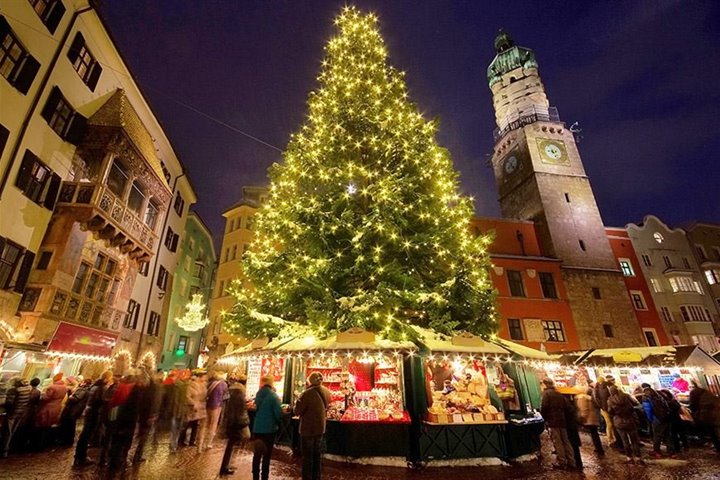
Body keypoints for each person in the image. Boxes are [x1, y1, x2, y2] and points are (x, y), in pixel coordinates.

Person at [295, 372, 331, 480]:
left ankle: (307, 477)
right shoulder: (326, 391)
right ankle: (317, 476)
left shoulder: (306, 394)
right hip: (320, 428)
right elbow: (327, 406)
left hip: (308, 429)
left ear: (310, 381)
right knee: (317, 455)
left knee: (307, 457)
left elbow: (297, 411)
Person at [74, 370, 113, 467]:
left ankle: (79, 455)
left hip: (89, 412)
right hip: (95, 413)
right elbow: (102, 401)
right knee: (87, 434)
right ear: (107, 378)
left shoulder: (94, 386)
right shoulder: (102, 388)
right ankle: (82, 457)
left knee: (84, 434)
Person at [252, 375, 282, 480]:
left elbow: (256, 408)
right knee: (267, 455)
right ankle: (264, 476)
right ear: (271, 383)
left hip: (257, 428)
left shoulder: (258, 394)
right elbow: (278, 413)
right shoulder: (273, 396)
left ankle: (255, 476)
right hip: (269, 429)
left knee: (257, 453)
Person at [540, 378, 575, 469]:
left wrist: (544, 418)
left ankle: (562, 462)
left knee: (557, 441)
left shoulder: (546, 394)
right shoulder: (559, 393)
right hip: (562, 420)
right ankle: (572, 461)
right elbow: (567, 407)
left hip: (552, 420)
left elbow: (544, 407)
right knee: (566, 441)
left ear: (545, 384)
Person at [220, 374, 250, 476]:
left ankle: (226, 465)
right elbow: (239, 411)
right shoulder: (239, 394)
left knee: (231, 445)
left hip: (232, 422)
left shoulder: (233, 391)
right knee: (233, 444)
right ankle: (225, 467)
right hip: (236, 423)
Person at [133, 371, 164, 464]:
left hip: (144, 414)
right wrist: (153, 414)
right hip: (145, 414)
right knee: (143, 435)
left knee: (142, 434)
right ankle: (137, 455)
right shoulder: (154, 388)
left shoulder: (151, 387)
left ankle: (137, 455)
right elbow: (155, 402)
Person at [608, 385, 644, 464]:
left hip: (619, 422)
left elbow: (610, 412)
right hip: (630, 420)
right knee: (634, 440)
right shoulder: (626, 396)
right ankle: (638, 458)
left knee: (625, 441)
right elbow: (635, 404)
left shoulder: (610, 400)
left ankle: (629, 458)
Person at [35, 372, 68, 449]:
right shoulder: (64, 387)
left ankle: (39, 444)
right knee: (49, 426)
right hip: (57, 407)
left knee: (42, 426)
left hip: (48, 408)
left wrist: (42, 394)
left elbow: (46, 398)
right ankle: (47, 442)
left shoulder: (52, 387)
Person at [1, 377, 32, 457]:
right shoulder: (28, 389)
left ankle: (4, 450)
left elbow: (9, 403)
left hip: (12, 412)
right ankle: (10, 448)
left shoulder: (14, 390)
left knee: (7, 432)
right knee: (13, 431)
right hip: (21, 412)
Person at [58, 378, 92, 446]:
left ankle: (67, 441)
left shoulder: (83, 390)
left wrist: (70, 396)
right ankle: (67, 440)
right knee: (70, 425)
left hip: (74, 410)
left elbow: (76, 399)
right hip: (75, 410)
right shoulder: (85, 390)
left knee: (70, 425)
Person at [688, 382, 720, 453]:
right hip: (715, 418)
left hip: (710, 418)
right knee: (715, 433)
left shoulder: (695, 394)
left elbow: (693, 406)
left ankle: (718, 448)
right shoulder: (708, 395)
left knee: (714, 434)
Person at [641, 382, 670, 458]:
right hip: (665, 416)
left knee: (657, 436)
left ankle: (657, 452)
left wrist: (650, 419)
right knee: (667, 435)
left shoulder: (645, 397)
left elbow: (648, 410)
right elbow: (666, 404)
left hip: (656, 418)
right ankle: (672, 452)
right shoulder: (659, 395)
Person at [181, 370, 208, 452]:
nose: (205, 378)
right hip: (191, 408)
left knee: (195, 425)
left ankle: (192, 441)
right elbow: (187, 396)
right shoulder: (191, 385)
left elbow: (204, 396)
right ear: (200, 377)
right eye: (204, 376)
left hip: (200, 408)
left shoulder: (204, 385)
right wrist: (193, 403)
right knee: (187, 424)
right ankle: (181, 441)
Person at [575, 387, 604, 455]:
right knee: (594, 434)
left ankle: (599, 449)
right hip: (593, 417)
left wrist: (582, 418)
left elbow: (584, 409)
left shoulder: (582, 398)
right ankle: (599, 448)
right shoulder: (589, 397)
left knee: (594, 434)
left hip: (589, 418)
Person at [204, 371, 228, 450]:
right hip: (217, 405)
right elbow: (226, 394)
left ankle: (203, 440)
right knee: (214, 423)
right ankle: (209, 442)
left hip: (208, 404)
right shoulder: (223, 384)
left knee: (207, 422)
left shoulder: (209, 383)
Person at [659, 389, 687, 453]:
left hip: (674, 419)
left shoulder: (668, 402)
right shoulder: (671, 401)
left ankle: (681, 447)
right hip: (675, 419)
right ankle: (681, 447)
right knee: (677, 434)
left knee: (677, 434)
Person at [168, 370, 190, 453]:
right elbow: (176, 400)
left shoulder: (178, 386)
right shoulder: (181, 387)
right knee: (177, 429)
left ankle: (173, 445)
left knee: (176, 429)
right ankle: (173, 445)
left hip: (178, 410)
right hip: (179, 410)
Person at [593, 376, 616, 447]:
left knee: (609, 423)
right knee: (610, 424)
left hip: (604, 408)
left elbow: (596, 399)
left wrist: (601, 407)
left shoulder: (596, 389)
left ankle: (611, 439)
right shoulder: (606, 388)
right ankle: (611, 439)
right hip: (607, 408)